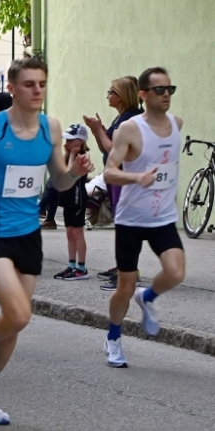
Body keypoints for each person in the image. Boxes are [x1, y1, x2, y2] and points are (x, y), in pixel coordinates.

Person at [0, 57, 94, 425]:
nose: (37, 90)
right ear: (11, 87)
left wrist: (72, 172)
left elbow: (57, 182)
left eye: (42, 83)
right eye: (29, 84)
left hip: (29, 234)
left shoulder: (50, 128)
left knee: (17, 322)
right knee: (19, 313)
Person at [101, 68, 185, 368]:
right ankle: (113, 338)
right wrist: (137, 178)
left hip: (163, 217)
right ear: (144, 94)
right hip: (131, 220)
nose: (166, 95)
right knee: (124, 286)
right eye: (160, 90)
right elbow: (109, 171)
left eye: (170, 90)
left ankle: (147, 297)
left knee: (175, 273)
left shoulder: (177, 124)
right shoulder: (130, 129)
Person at [84, 75, 143, 290]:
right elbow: (104, 147)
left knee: (128, 224)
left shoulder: (131, 119)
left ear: (122, 96)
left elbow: (115, 150)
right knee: (122, 223)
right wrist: (96, 129)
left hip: (126, 177)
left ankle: (129, 271)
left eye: (111, 91)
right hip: (117, 176)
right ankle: (123, 266)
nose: (108, 95)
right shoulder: (121, 117)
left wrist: (99, 129)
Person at [52, 124, 91, 281]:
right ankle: (71, 264)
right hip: (67, 198)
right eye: (66, 140)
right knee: (69, 233)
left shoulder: (84, 157)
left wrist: (73, 155)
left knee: (77, 232)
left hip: (77, 198)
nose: (66, 144)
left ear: (79, 142)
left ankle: (82, 267)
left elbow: (70, 172)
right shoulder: (67, 155)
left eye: (70, 140)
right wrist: (68, 153)